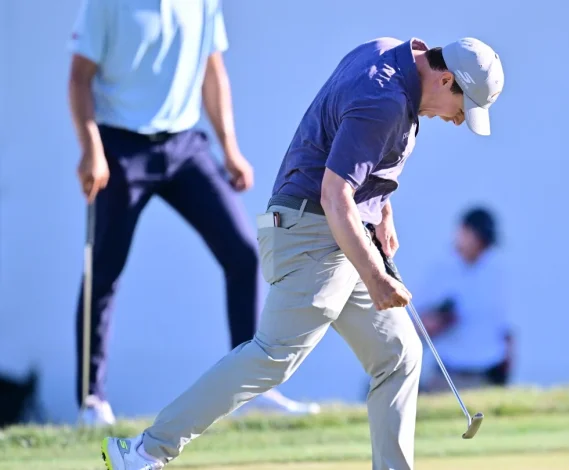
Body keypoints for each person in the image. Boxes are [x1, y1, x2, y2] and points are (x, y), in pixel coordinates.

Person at [101, 36, 505, 470]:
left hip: (337, 228)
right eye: (462, 110)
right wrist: (376, 277)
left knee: (400, 353)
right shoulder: (385, 101)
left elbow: (349, 149)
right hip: (313, 230)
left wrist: (382, 211)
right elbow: (335, 195)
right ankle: (143, 452)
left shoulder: (388, 51)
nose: (457, 121)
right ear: (446, 79)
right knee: (273, 356)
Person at [67, 0, 318, 427]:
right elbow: (79, 79)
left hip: (185, 146)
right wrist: (91, 150)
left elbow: (212, 70)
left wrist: (230, 148)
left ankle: (252, 389)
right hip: (121, 148)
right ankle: (92, 401)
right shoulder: (106, 5)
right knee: (104, 270)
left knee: (242, 252)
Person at [417, 207, 514, 393]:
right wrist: (438, 321)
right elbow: (414, 323)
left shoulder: (498, 271)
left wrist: (506, 370)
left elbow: (507, 328)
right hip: (447, 376)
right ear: (462, 231)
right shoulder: (440, 271)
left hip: (487, 376)